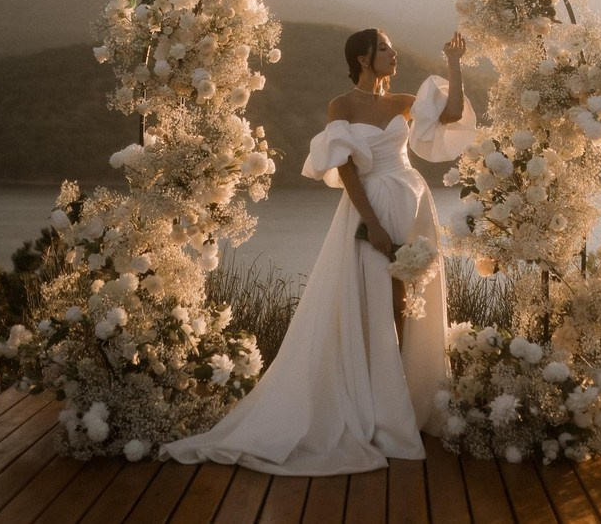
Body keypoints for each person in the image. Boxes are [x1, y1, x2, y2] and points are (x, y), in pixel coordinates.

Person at [161, 29, 475, 475]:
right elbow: (346, 170)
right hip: (371, 208)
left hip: (414, 203)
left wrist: (454, 64)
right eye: (385, 47)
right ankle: (373, 405)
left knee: (407, 303)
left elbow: (454, 111)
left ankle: (402, 401)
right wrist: (372, 222)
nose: (393, 54)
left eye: (391, 46)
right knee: (371, 298)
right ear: (363, 59)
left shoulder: (403, 101)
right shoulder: (341, 106)